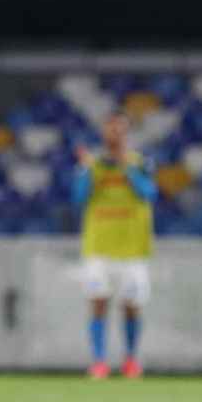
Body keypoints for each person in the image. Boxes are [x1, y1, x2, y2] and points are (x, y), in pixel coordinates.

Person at [73, 113, 156, 379]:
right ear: (104, 135)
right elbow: (79, 197)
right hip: (99, 245)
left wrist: (126, 167)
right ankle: (99, 361)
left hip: (132, 247)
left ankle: (131, 359)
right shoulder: (93, 165)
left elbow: (149, 193)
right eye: (110, 131)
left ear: (127, 134)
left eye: (119, 131)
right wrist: (87, 170)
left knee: (132, 305)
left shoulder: (140, 162)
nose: (114, 136)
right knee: (98, 301)